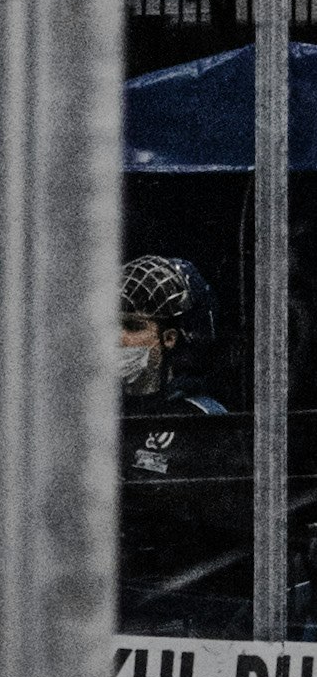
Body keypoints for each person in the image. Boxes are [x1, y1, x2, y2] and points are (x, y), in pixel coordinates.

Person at [116, 251, 252, 635]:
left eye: (131, 325)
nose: (117, 338)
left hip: (175, 623)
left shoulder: (202, 421)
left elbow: (228, 546)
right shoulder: (91, 418)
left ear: (169, 339)